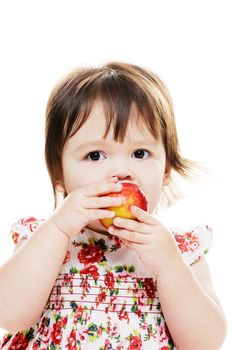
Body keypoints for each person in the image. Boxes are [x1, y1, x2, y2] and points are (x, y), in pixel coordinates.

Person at [0, 62, 227, 349]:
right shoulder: (45, 238)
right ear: (59, 175)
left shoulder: (179, 250)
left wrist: (170, 268)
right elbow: (9, 313)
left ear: (166, 169)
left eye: (140, 153)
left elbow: (205, 343)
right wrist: (58, 228)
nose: (120, 171)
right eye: (95, 156)